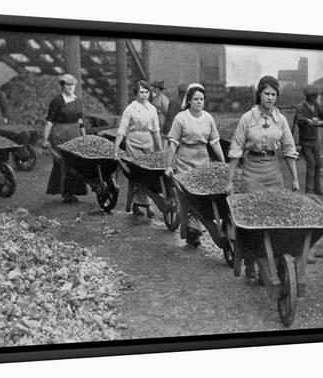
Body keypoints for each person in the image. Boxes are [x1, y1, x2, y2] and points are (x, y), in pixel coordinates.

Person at [226, 75, 300, 279]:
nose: (270, 98)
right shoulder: (247, 119)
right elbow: (236, 150)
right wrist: (230, 180)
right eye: (266, 93)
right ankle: (250, 262)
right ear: (259, 94)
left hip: (273, 171)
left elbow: (289, 149)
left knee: (275, 218)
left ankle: (272, 265)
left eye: (273, 94)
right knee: (253, 220)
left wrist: (294, 179)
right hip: (252, 171)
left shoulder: (281, 119)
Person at [164, 83, 226, 247]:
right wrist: (169, 165)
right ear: (189, 101)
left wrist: (223, 162)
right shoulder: (181, 118)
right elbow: (173, 144)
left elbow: (214, 142)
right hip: (185, 160)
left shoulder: (208, 118)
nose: (199, 102)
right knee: (188, 197)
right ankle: (193, 230)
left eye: (202, 99)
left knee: (203, 196)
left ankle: (194, 229)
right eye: (196, 99)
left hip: (202, 160)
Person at [114, 80, 163, 218]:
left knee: (148, 173)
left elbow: (156, 131)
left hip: (148, 142)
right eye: (141, 92)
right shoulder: (130, 108)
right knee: (138, 173)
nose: (144, 95)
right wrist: (116, 147)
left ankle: (140, 204)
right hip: (133, 142)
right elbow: (122, 130)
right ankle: (145, 205)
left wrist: (160, 149)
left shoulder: (152, 109)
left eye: (146, 92)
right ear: (136, 93)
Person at [42, 74, 88, 203]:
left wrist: (84, 137)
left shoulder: (78, 101)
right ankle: (66, 192)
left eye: (72, 85)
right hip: (60, 134)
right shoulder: (57, 101)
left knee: (77, 162)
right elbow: (50, 121)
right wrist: (45, 139)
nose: (70, 87)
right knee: (64, 163)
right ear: (62, 86)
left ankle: (75, 190)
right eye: (68, 85)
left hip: (75, 134)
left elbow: (81, 121)